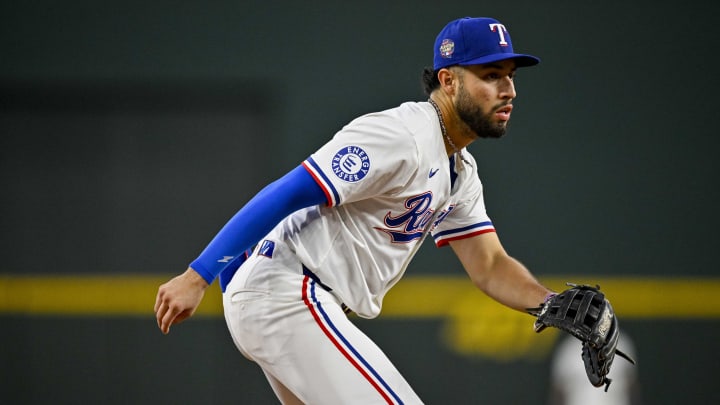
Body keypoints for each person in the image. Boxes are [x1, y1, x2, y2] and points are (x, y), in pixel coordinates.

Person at [155, 16, 554, 404]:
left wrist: (549, 303)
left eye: (511, 76)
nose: (508, 90)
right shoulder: (402, 134)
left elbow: (489, 265)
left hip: (293, 302)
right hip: (292, 296)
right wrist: (199, 275)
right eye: (491, 75)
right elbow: (288, 192)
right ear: (448, 80)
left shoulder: (461, 170)